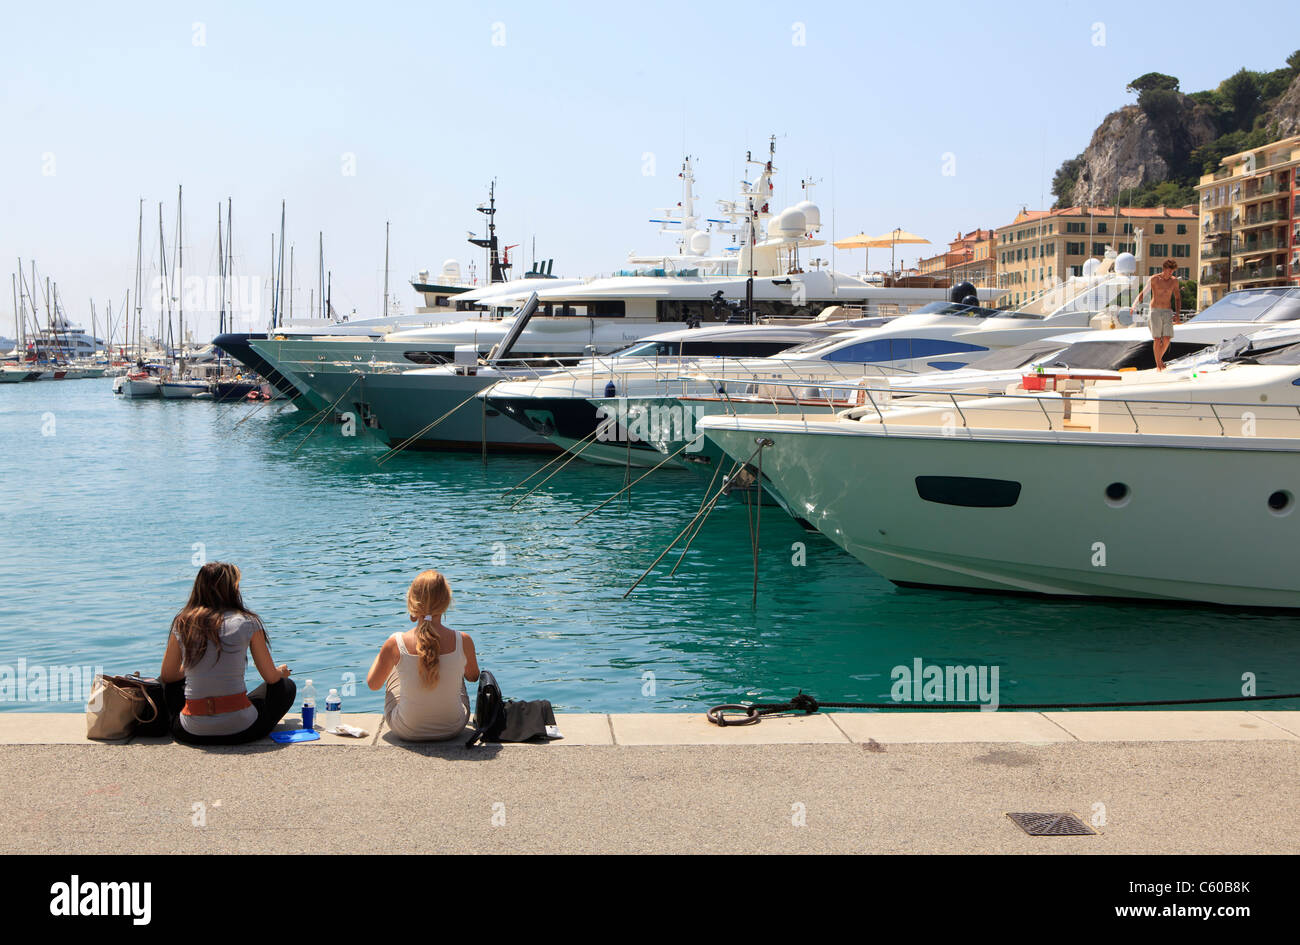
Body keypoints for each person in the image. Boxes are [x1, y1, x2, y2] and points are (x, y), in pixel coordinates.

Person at [159, 562, 296, 745]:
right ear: (233, 588)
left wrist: (195, 664)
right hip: (241, 730)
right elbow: (271, 678)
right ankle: (234, 708)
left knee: (168, 686)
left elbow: (167, 676)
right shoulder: (248, 622)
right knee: (285, 686)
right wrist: (281, 672)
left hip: (192, 732)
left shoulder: (183, 622)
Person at [367, 569, 479, 741]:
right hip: (453, 727)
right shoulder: (463, 640)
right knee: (459, 671)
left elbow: (374, 684)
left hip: (407, 729)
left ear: (412, 602)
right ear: (446, 603)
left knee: (396, 666)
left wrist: (386, 650)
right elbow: (473, 677)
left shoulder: (396, 643)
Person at [1134, 259, 1181, 370]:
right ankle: (1159, 364)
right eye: (1170, 271)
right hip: (1155, 310)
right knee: (1157, 339)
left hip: (1167, 311)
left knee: (1167, 339)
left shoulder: (1174, 281)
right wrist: (1134, 305)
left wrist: (1177, 314)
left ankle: (1159, 360)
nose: (1171, 274)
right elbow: (1143, 293)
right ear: (1164, 269)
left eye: (1173, 272)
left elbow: (1178, 298)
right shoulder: (1154, 279)